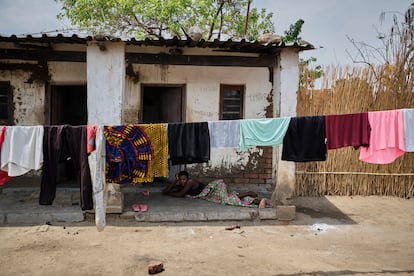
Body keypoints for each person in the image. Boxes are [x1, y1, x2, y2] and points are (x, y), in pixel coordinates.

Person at [163, 170, 271, 208]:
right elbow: (165, 191)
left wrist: (171, 192)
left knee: (227, 200)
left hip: (215, 187)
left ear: (187, 178)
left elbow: (180, 194)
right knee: (230, 199)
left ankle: (249, 192)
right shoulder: (180, 184)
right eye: (180, 180)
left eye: (184, 179)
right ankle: (259, 201)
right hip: (210, 194)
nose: (183, 181)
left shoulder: (190, 182)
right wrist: (175, 181)